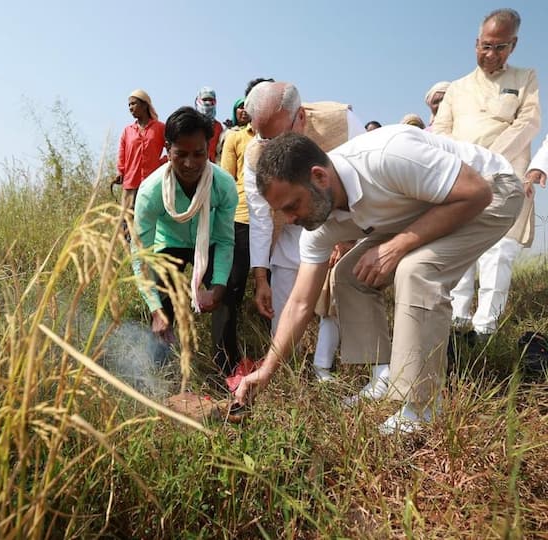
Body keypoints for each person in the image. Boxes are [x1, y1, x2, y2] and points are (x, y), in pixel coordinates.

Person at [234, 126, 523, 434]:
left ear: (319, 177)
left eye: (292, 206)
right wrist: (265, 371)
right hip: (427, 206)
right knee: (349, 275)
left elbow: (476, 192)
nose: (290, 220)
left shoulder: (386, 157)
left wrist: (397, 246)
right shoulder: (318, 226)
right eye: (283, 212)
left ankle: (422, 406)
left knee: (416, 269)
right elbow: (300, 303)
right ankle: (384, 376)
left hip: (492, 190)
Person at [243, 81, 365, 381]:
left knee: (332, 299)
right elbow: (261, 218)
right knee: (286, 306)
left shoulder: (342, 122)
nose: (270, 145)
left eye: (279, 135)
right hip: (289, 234)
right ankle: (282, 374)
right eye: (264, 136)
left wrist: (347, 238)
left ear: (301, 117)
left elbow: (362, 182)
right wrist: (261, 276)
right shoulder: (255, 153)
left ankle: (323, 368)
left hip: (339, 228)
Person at [432, 8, 541, 338]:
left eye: (500, 47)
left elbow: (528, 123)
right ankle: (458, 324)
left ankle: (485, 330)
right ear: (476, 42)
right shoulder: (458, 88)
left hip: (506, 177)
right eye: (485, 46)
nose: (490, 54)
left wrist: (489, 158)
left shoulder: (526, 78)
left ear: (514, 45)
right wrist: (466, 161)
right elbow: (440, 129)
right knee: (460, 250)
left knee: (498, 255)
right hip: (463, 179)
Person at [132, 106, 239, 375]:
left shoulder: (223, 185)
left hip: (210, 241)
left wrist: (218, 286)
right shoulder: (150, 192)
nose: (190, 164)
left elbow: (226, 240)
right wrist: (156, 309)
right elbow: (141, 254)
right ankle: (159, 370)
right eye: (181, 154)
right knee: (163, 296)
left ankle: (224, 369)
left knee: (226, 294)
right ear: (168, 150)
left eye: (199, 154)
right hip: (170, 241)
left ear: (209, 148)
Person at [219, 97, 256, 374]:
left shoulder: (282, 137)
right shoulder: (235, 138)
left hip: (279, 224)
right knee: (233, 288)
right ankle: (226, 357)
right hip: (242, 218)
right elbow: (226, 180)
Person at [115, 89, 166, 209]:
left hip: (153, 184)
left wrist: (161, 163)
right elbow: (122, 154)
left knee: (150, 220)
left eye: (133, 103)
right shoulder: (128, 131)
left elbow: (172, 149)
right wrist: (120, 172)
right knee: (127, 223)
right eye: (129, 105)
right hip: (131, 184)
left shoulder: (160, 128)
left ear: (144, 105)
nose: (130, 107)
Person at [195, 86, 224, 163]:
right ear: (198, 101)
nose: (208, 103)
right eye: (204, 100)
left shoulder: (218, 126)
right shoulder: (190, 123)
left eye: (210, 100)